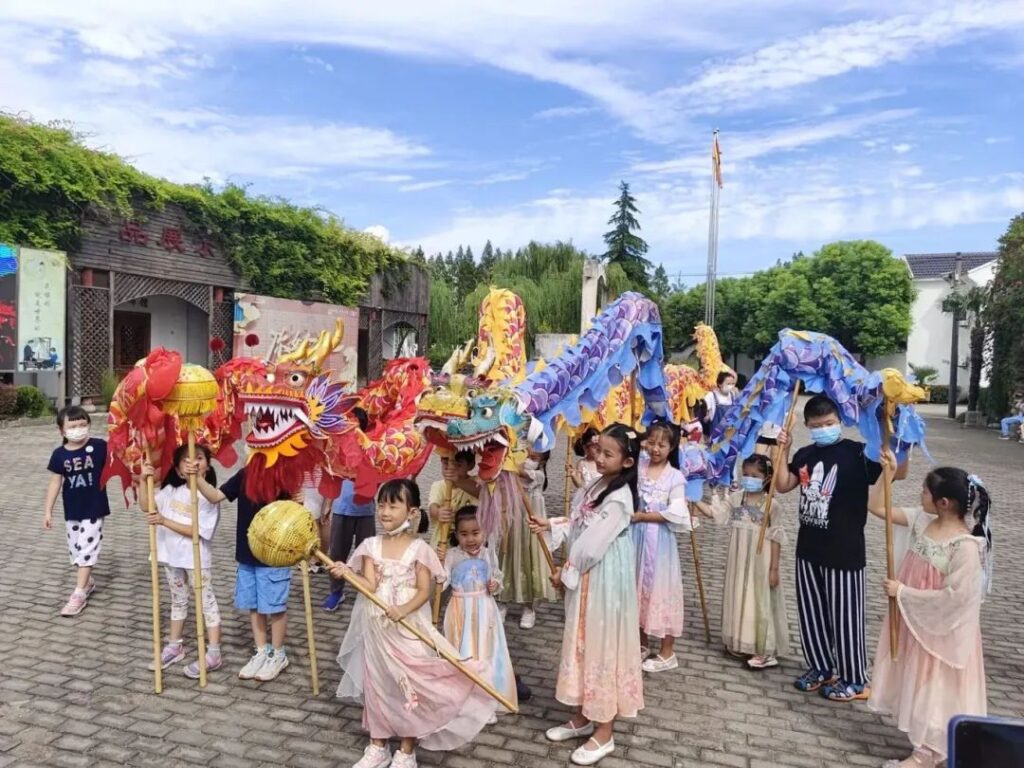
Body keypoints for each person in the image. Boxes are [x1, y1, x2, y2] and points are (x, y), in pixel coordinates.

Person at [331, 480, 495, 768]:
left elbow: (424, 590)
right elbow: (369, 585)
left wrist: (403, 610)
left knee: (410, 684)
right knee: (379, 683)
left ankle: (407, 749)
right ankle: (377, 745)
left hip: (407, 628)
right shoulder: (370, 545)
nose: (385, 511)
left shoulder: (419, 549)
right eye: (381, 504)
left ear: (412, 512)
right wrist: (347, 573)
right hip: (377, 628)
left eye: (393, 505)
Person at [774, 395, 903, 701]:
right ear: (807, 426)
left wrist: (894, 460)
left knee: (845, 617)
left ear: (840, 421)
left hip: (845, 551)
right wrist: (784, 448)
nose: (823, 429)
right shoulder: (805, 454)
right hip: (808, 548)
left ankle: (855, 678)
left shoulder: (858, 454)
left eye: (829, 423)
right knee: (812, 614)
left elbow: (895, 474)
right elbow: (782, 484)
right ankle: (820, 667)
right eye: (817, 426)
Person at [529, 423, 644, 766]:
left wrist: (565, 572)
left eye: (609, 453)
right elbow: (580, 520)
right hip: (588, 575)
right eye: (599, 450)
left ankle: (605, 730)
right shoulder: (596, 484)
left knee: (602, 645)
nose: (600, 457)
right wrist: (550, 525)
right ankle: (582, 715)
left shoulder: (621, 498)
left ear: (627, 462)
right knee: (581, 640)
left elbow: (593, 545)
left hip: (604, 578)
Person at [867, 461, 991, 768]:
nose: (920, 494)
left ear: (944, 502)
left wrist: (905, 593)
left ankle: (928, 753)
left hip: (941, 629)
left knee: (935, 685)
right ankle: (922, 743)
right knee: (917, 680)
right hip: (916, 622)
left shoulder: (965, 546)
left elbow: (958, 599)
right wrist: (888, 472)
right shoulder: (923, 520)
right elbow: (878, 508)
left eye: (925, 491)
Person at [190, 461, 293, 682]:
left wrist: (300, 499)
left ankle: (278, 653)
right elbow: (216, 495)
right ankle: (262, 650)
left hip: (275, 555)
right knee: (254, 604)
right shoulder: (245, 473)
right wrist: (197, 478)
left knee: (275, 606)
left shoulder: (284, 474)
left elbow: (295, 513)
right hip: (247, 553)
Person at [139, 444, 223, 677]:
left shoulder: (208, 497)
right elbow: (147, 506)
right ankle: (175, 645)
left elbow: (197, 530)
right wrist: (142, 480)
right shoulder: (170, 491)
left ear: (207, 465)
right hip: (170, 556)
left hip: (196, 559)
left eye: (199, 458)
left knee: (206, 603)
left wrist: (164, 521)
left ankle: (214, 652)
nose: (192, 463)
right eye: (186, 460)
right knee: (178, 601)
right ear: (177, 469)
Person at [708, 454, 790, 669]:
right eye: (745, 474)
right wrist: (694, 499)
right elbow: (718, 515)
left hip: (760, 562)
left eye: (754, 475)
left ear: (766, 478)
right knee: (739, 596)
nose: (748, 478)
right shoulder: (737, 499)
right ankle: (740, 640)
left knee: (758, 599)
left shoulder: (772, 505)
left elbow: (776, 537)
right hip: (738, 559)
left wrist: (774, 568)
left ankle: (765, 650)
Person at [442, 505, 516, 723]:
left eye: (476, 533)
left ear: (484, 532)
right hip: (460, 611)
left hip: (485, 611)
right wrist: (438, 565)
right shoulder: (452, 556)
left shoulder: (487, 553)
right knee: (464, 653)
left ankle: (487, 700)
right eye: (464, 534)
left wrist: (495, 584)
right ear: (456, 535)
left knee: (485, 652)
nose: (471, 539)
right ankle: (465, 701)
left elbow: (496, 576)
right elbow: (442, 580)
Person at [631, 420, 690, 673]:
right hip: (634, 538)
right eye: (651, 442)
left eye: (662, 444)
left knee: (662, 592)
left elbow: (676, 512)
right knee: (634, 587)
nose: (655, 449)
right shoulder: (638, 466)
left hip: (659, 543)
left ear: (672, 447)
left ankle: (667, 652)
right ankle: (640, 642)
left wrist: (644, 516)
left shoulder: (675, 477)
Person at [43, 406, 111, 617]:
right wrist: (48, 511)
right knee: (75, 550)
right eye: (73, 426)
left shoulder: (99, 447)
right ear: (61, 430)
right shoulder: (59, 454)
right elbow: (55, 483)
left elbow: (121, 457)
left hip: (94, 508)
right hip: (72, 510)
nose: (79, 429)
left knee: (86, 550)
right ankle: (88, 582)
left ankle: (79, 593)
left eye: (83, 424)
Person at [324, 479, 376, 611]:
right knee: (337, 554)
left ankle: (366, 590)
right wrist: (328, 504)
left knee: (367, 556)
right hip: (341, 509)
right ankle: (336, 591)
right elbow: (333, 478)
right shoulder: (342, 459)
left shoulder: (371, 458)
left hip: (366, 511)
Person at [516, 447, 551, 629]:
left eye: (533, 457)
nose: (528, 459)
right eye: (527, 455)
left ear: (542, 462)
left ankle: (529, 608)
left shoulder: (538, 476)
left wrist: (510, 462)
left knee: (530, 560)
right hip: (514, 519)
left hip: (532, 521)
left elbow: (521, 471)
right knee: (510, 557)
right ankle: (503, 600)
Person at [427, 451, 480, 554]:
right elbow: (432, 507)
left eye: (458, 465)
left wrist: (458, 481)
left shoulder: (476, 483)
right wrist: (438, 512)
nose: (451, 468)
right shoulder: (438, 486)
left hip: (470, 545)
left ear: (471, 465)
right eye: (446, 463)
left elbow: (482, 493)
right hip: (443, 546)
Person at [702, 370, 737, 438]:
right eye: (728, 384)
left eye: (732, 384)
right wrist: (707, 416)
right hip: (715, 436)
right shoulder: (711, 396)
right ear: (720, 384)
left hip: (730, 436)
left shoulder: (733, 396)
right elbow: (703, 413)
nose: (731, 386)